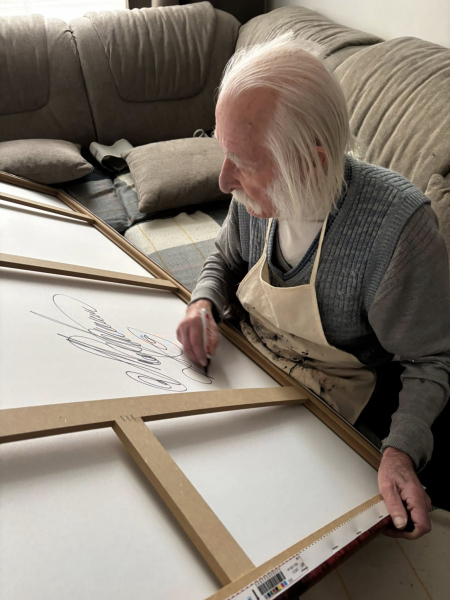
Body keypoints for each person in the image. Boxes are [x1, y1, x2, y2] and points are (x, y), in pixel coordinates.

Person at [176, 34, 450, 537]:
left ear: (313, 162)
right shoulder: (251, 195)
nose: (223, 181)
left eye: (244, 162)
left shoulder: (397, 231)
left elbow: (431, 359)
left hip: (328, 411)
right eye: (225, 153)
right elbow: (225, 257)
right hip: (244, 369)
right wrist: (203, 302)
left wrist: (400, 452)